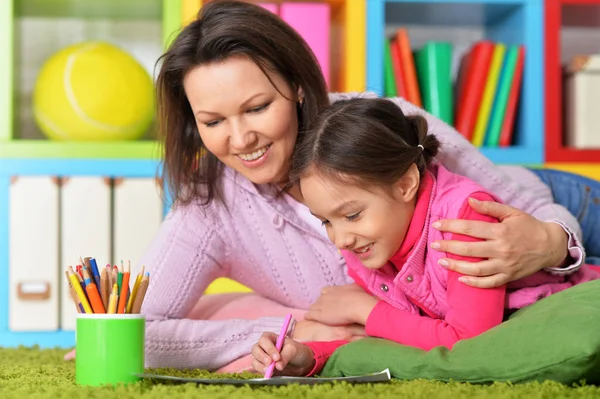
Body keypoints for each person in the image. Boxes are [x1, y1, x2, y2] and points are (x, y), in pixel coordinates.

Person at [136, 0, 591, 370]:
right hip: (456, 301)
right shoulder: (208, 206)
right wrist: (291, 329)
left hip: (567, 205)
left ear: (296, 86)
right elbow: (132, 330)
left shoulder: (374, 121)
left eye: (256, 108)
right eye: (213, 121)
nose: (240, 139)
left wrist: (553, 242)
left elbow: (529, 205)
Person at [250, 98, 600, 377]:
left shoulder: (465, 223)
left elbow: (466, 340)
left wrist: (367, 309)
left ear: (405, 184)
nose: (340, 239)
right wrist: (307, 356)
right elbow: (396, 335)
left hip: (574, 204)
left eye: (352, 215)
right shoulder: (371, 243)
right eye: (326, 221)